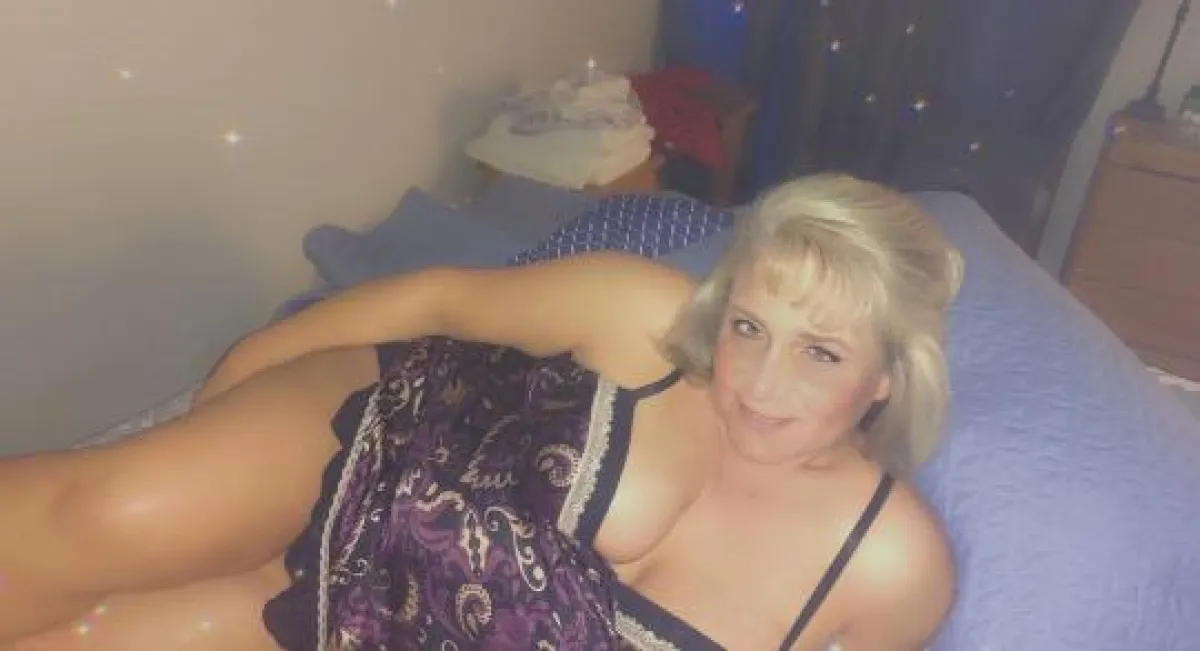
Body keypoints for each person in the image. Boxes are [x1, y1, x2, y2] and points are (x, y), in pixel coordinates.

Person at [1, 174, 963, 651]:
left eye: (820, 353)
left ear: (888, 375)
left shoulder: (892, 566)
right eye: (749, 325)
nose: (756, 380)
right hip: (366, 445)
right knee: (111, 513)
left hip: (362, 629)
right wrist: (241, 374)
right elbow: (441, 300)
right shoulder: (647, 316)